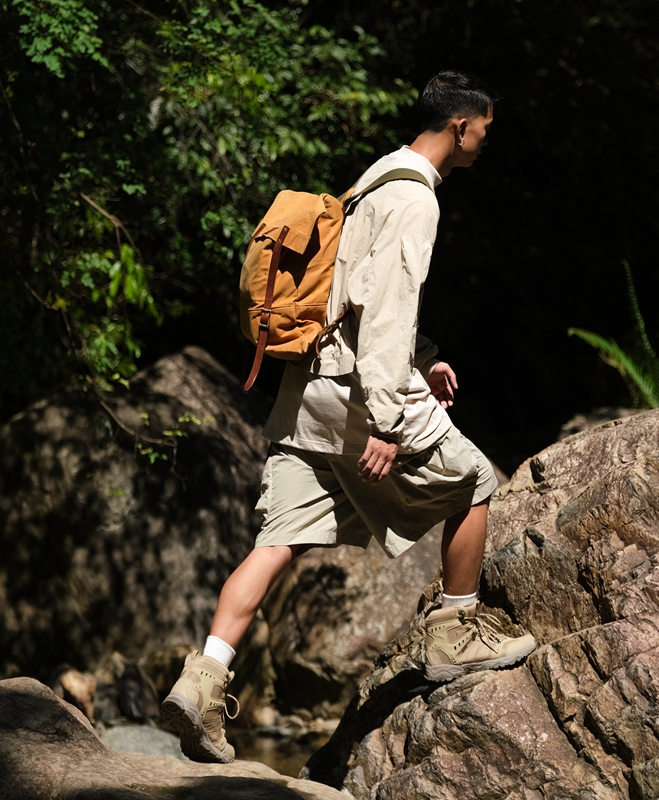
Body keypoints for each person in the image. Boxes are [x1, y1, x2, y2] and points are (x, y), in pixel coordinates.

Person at [160, 69, 537, 764]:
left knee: (276, 543)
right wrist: (389, 420)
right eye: (485, 128)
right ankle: (456, 631)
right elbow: (385, 310)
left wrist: (425, 357)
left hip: (305, 394)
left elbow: (349, 291)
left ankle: (204, 677)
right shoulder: (416, 200)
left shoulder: (372, 181)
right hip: (359, 393)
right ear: (460, 126)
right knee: (475, 483)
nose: (487, 140)